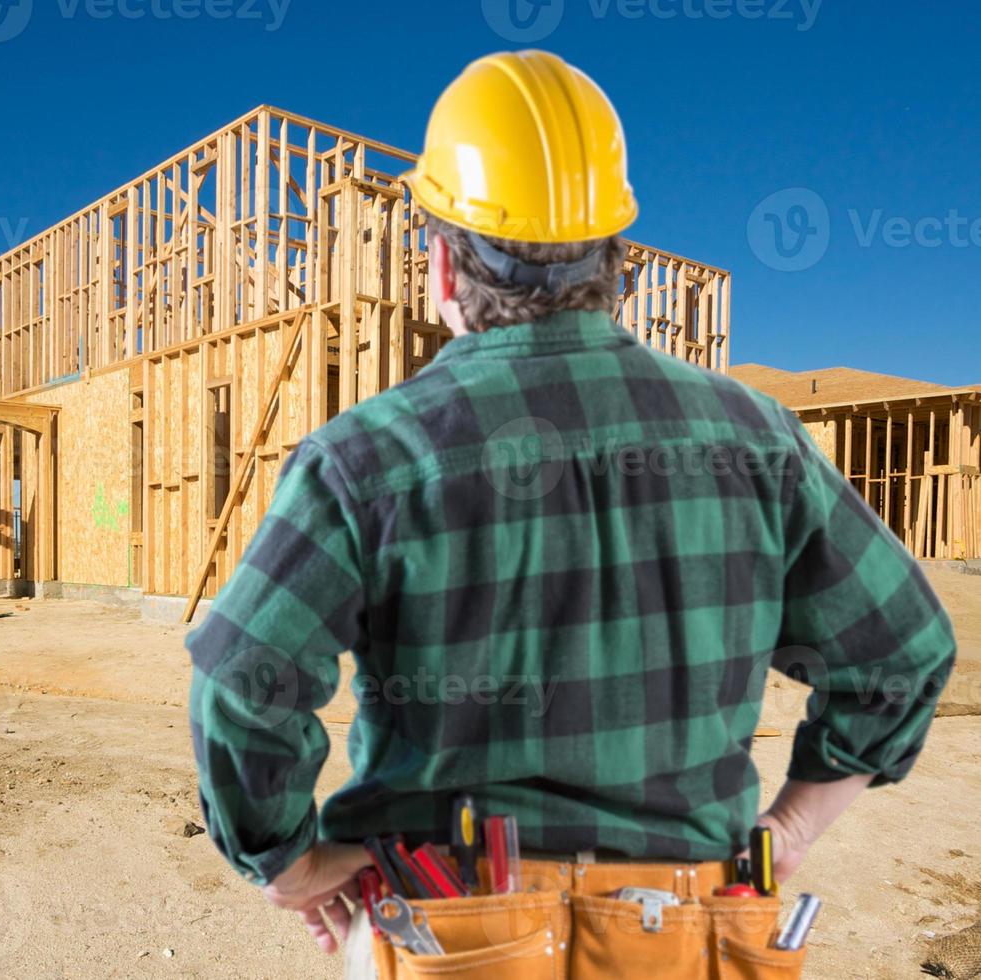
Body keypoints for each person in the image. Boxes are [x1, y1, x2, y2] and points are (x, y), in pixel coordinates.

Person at [186, 49, 956, 969]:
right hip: (689, 932)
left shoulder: (367, 459)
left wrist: (288, 861)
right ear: (617, 260)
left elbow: (241, 683)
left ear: (440, 263)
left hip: (446, 930)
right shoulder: (758, 442)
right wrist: (787, 828)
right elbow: (904, 654)